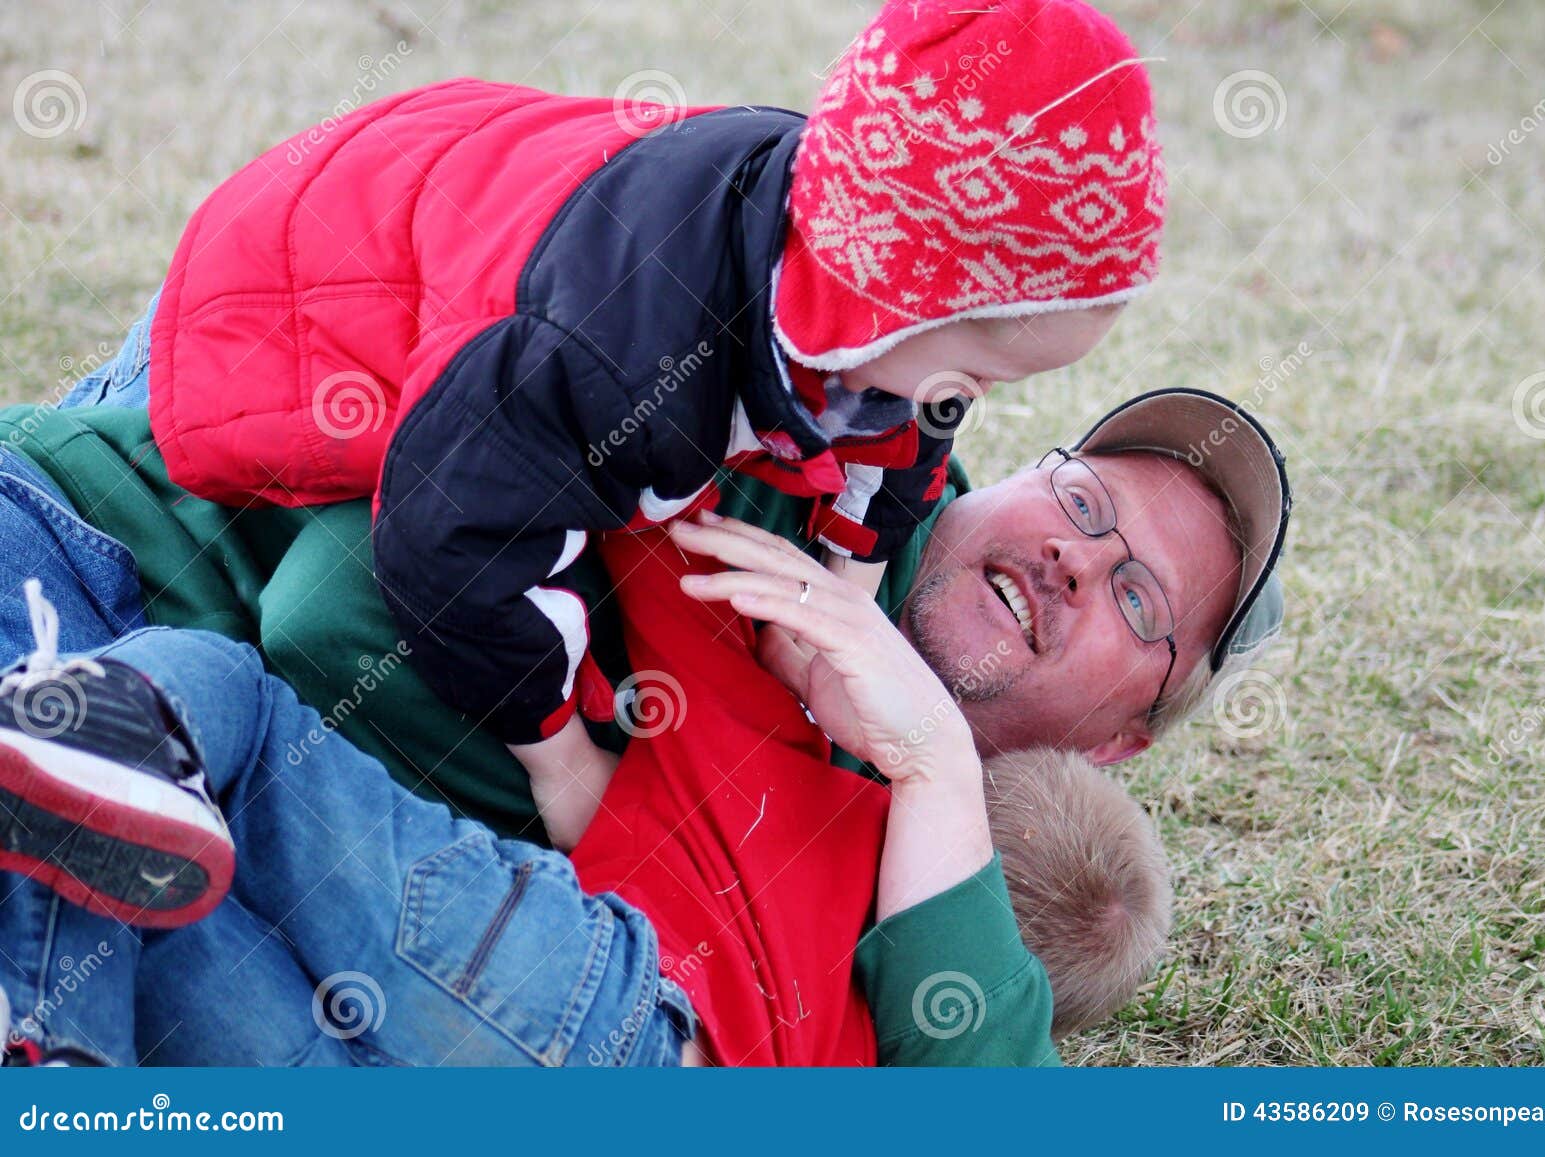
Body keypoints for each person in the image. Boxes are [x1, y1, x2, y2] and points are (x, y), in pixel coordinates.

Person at [0, 375, 1288, 1065]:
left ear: (1123, 736)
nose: (1077, 557)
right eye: (1082, 501)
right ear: (1006, 469)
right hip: (88, 568)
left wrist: (936, 763)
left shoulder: (919, 830)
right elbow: (337, 601)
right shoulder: (805, 461)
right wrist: (594, 789)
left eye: (1137, 595)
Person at [139, 0, 1169, 811]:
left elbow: (901, 429)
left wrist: (838, 595)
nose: (965, 403)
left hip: (478, 186)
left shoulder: (855, 269)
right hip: (302, 296)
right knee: (454, 504)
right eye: (979, 374)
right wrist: (563, 763)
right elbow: (453, 538)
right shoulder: (622, 359)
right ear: (881, 316)